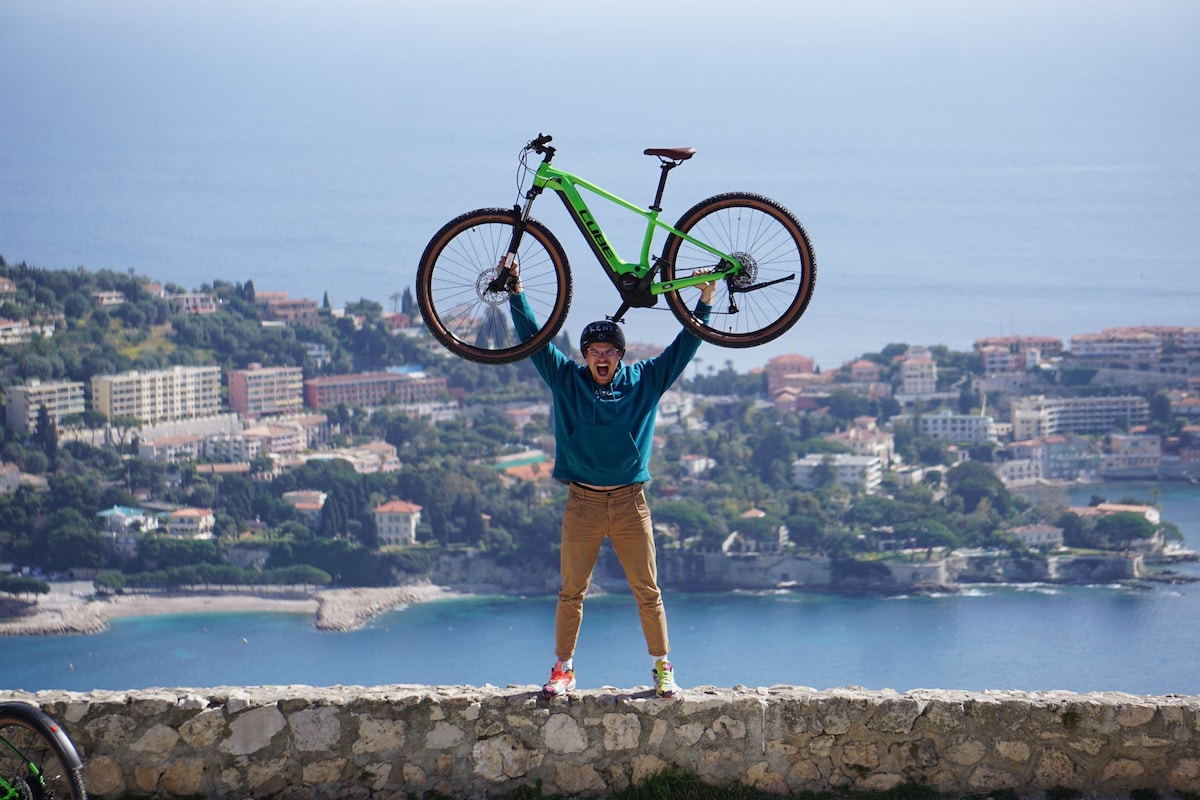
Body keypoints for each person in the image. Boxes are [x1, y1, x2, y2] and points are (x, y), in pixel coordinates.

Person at [508, 266, 716, 698]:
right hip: (581, 503)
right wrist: (517, 292)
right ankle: (563, 669)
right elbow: (535, 340)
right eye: (593, 350)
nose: (601, 357)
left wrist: (706, 302)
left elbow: (686, 345)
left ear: (620, 356)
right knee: (571, 593)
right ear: (584, 355)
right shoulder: (566, 379)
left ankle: (663, 668)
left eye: (609, 350)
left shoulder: (645, 380)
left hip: (630, 504)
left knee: (648, 590)